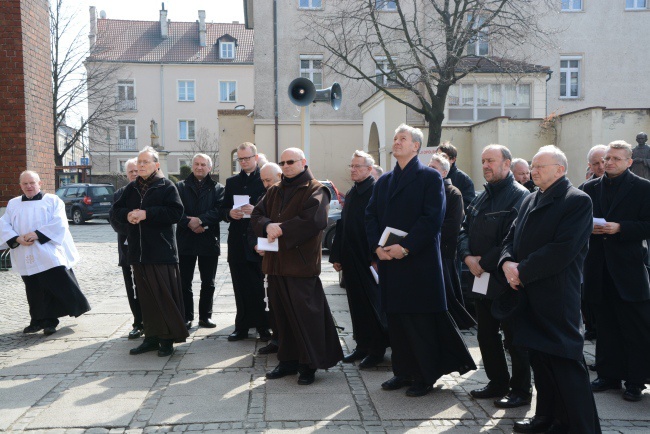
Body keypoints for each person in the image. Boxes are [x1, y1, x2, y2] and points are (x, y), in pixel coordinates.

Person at [366, 124, 476, 398]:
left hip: (418, 262)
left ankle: (425, 375)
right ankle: (402, 371)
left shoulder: (430, 178)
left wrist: (405, 248)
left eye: (403, 138)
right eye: (395, 138)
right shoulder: (384, 181)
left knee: (419, 321)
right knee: (397, 320)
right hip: (389, 260)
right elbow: (370, 216)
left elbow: (432, 220)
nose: (397, 142)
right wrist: (376, 248)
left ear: (416, 146)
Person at [500, 145, 600, 433]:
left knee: (564, 362)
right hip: (527, 293)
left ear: (560, 169)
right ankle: (546, 418)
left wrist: (522, 270)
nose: (534, 171)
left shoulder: (577, 200)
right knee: (540, 362)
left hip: (556, 295)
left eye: (540, 166)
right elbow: (511, 237)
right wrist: (507, 263)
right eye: (533, 166)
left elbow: (562, 249)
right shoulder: (530, 198)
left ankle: (579, 426)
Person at [251, 147, 343, 385]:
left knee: (306, 318)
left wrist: (280, 229)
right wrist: (267, 225)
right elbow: (256, 214)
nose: (286, 166)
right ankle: (288, 360)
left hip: (300, 266)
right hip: (275, 265)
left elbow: (315, 220)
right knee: (281, 318)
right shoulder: (274, 190)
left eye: (290, 161)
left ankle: (308, 364)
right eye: (282, 162)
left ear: (303, 162)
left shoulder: (316, 189)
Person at [458, 144, 532, 408]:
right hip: (480, 277)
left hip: (505, 280)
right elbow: (463, 228)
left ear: (507, 164)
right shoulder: (481, 196)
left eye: (491, 160)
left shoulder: (520, 196)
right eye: (483, 161)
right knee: (486, 334)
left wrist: (484, 262)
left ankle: (521, 390)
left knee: (514, 338)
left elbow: (512, 240)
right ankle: (497, 382)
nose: (486, 165)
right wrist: (467, 256)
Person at [583, 140, 650, 402]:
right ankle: (608, 375)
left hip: (629, 269)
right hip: (598, 267)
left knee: (635, 328)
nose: (609, 162)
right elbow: (576, 221)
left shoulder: (643, 188)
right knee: (605, 325)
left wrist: (621, 228)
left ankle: (636, 381)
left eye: (615, 159)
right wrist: (590, 228)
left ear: (629, 162)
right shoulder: (589, 188)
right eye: (607, 158)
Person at [111, 146, 188, 357]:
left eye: (146, 162)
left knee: (163, 297)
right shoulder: (132, 188)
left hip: (161, 252)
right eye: (139, 162)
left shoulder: (166, 186)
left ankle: (166, 339)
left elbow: (176, 212)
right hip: (137, 252)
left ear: (156, 165)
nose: (141, 165)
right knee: (146, 298)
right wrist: (128, 215)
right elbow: (115, 211)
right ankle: (151, 337)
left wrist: (148, 214)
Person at [0, 171, 90, 336]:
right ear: (20, 185)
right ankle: (37, 321)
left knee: (54, 283)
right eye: (25, 183)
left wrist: (37, 234)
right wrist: (17, 238)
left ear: (39, 183)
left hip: (46, 249)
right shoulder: (13, 204)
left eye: (32, 183)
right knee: (33, 287)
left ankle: (51, 321)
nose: (29, 186)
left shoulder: (52, 200)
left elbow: (60, 222)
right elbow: (4, 224)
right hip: (24, 251)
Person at [330, 150, 389, 369]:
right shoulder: (353, 192)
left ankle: (377, 349)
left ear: (369, 169)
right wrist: (337, 255)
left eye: (357, 166)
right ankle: (362, 345)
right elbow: (343, 225)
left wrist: (376, 256)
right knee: (356, 305)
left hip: (369, 259)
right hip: (351, 257)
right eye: (351, 166)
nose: (353, 170)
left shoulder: (377, 191)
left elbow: (382, 226)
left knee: (373, 306)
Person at [220, 142, 270, 341]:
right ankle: (241, 326)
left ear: (256, 158)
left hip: (258, 239)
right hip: (237, 240)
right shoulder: (232, 182)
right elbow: (222, 210)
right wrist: (230, 213)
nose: (243, 162)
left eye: (247, 158)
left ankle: (263, 326)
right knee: (239, 285)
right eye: (240, 159)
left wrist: (256, 210)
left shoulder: (265, 179)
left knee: (259, 285)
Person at [175, 153, 225, 329]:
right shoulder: (179, 187)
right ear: (192, 166)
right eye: (196, 164)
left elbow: (220, 211)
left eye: (203, 164)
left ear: (209, 168)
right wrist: (190, 223)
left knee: (208, 282)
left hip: (208, 239)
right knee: (184, 281)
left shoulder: (218, 188)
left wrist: (201, 221)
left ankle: (205, 316)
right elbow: (175, 210)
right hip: (185, 240)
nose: (199, 167)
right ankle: (186, 316)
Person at [428, 153, 476, 330]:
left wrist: (426, 236)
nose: (428, 170)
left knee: (447, 293)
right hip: (427, 250)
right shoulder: (427, 190)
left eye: (433, 168)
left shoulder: (453, 193)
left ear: (444, 172)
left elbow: (452, 226)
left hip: (444, 251)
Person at [578, 144, 608, 343]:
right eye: (596, 163)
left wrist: (620, 227)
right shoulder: (586, 189)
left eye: (604, 161)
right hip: (593, 257)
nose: (601, 166)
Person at [110, 158, 143, 339]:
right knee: (132, 288)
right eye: (131, 171)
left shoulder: (148, 192)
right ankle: (137, 322)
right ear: (126, 174)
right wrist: (132, 229)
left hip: (148, 249)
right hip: (127, 249)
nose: (134, 174)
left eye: (137, 170)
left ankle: (151, 321)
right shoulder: (120, 194)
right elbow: (114, 220)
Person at [255, 162, 284, 355]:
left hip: (288, 259)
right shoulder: (265, 196)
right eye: (263, 180)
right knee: (272, 301)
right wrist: (258, 243)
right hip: (269, 258)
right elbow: (256, 219)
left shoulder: (286, 195)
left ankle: (285, 341)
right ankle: (276, 337)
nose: (266, 184)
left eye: (269, 180)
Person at [436, 141, 475, 213]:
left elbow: (468, 205)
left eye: (443, 156)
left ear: (453, 159)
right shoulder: (432, 175)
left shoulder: (464, 179)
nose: (439, 160)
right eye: (437, 156)